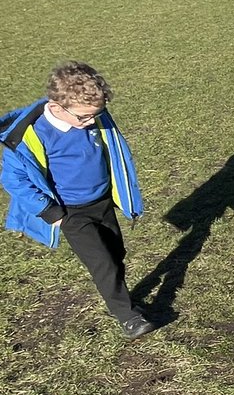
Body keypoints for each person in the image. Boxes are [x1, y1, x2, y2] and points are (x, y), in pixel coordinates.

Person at [0, 62, 152, 338]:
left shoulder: (94, 117)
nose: (91, 122)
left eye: (97, 114)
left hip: (102, 202)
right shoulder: (29, 136)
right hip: (69, 212)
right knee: (102, 263)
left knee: (116, 255)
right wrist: (49, 211)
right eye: (84, 117)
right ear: (57, 107)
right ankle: (127, 316)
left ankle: (122, 299)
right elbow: (14, 180)